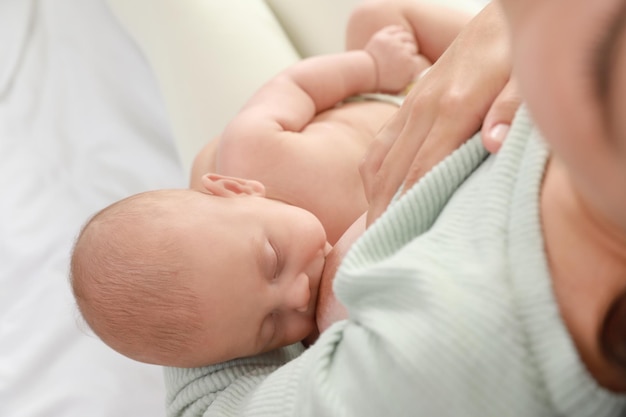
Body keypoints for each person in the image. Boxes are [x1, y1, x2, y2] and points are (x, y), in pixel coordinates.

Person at [161, 0, 626, 415]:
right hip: (396, 90)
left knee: (184, 19)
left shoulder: (438, 367)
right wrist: (497, 26)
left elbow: (203, 402)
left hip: (258, 174)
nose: (298, 297)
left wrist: (200, 264)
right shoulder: (570, 93)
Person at [70, 1, 475, 368]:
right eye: (270, 326)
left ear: (236, 189)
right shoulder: (327, 310)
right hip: (441, 136)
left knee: (376, 17)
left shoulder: (251, 151)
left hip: (399, 93)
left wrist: (372, 67)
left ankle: (507, 38)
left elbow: (297, 87)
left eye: (273, 259)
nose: (296, 297)